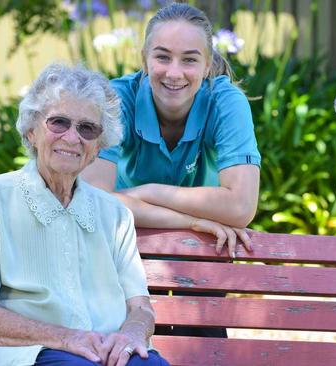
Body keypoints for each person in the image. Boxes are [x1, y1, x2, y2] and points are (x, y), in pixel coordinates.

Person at [0, 63, 170, 366]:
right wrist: (68, 338)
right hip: (28, 353)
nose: (71, 137)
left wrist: (131, 335)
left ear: (98, 146)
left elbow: (140, 308)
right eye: (58, 123)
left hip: (105, 352)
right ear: (31, 130)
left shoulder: (115, 214)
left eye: (87, 128)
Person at [82, 2, 261, 259]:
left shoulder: (226, 102)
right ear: (144, 59)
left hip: (207, 246)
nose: (174, 73)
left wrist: (148, 192)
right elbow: (95, 202)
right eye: (162, 57)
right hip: (126, 240)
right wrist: (189, 221)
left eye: (189, 59)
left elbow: (241, 207)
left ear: (207, 65)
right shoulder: (115, 99)